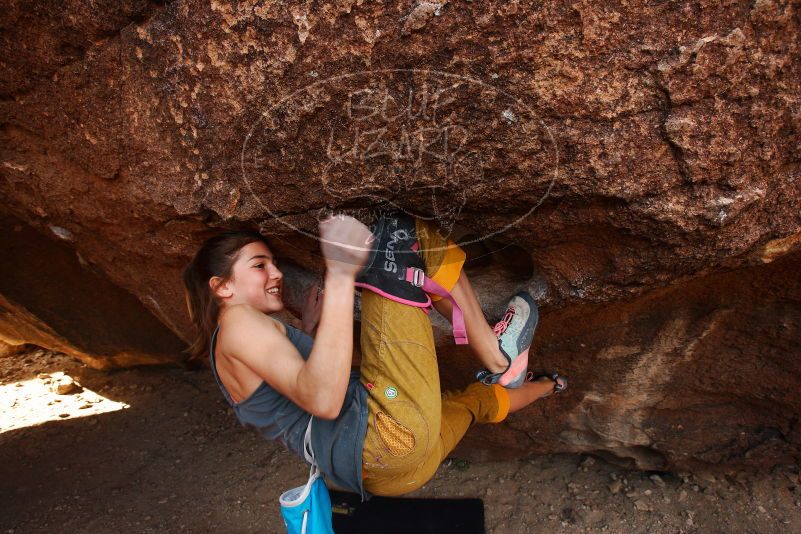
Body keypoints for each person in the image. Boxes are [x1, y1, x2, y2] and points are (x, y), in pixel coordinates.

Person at [182, 213, 566, 499]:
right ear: (222, 287)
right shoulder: (235, 322)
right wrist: (341, 271)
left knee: (474, 402)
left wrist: (311, 329)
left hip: (390, 474)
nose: (276, 273)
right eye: (259, 265)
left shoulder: (229, 351)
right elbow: (323, 399)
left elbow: (296, 396)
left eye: (274, 263)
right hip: (383, 436)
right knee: (394, 240)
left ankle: (548, 384)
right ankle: (498, 355)